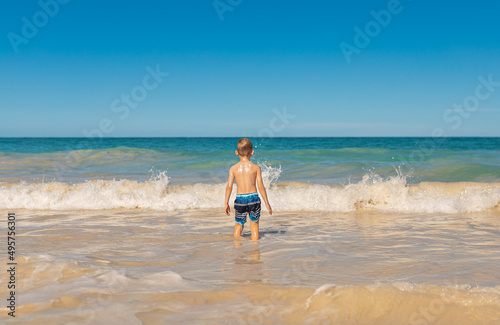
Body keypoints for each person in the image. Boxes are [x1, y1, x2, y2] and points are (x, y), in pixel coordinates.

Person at [225, 138, 272, 240]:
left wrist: (226, 203)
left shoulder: (233, 168)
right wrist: (266, 202)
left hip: (240, 199)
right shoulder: (256, 168)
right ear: (252, 152)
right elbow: (260, 186)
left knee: (238, 225)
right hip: (253, 198)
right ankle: (255, 252)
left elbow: (229, 186)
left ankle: (236, 247)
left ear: (237, 153)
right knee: (254, 226)